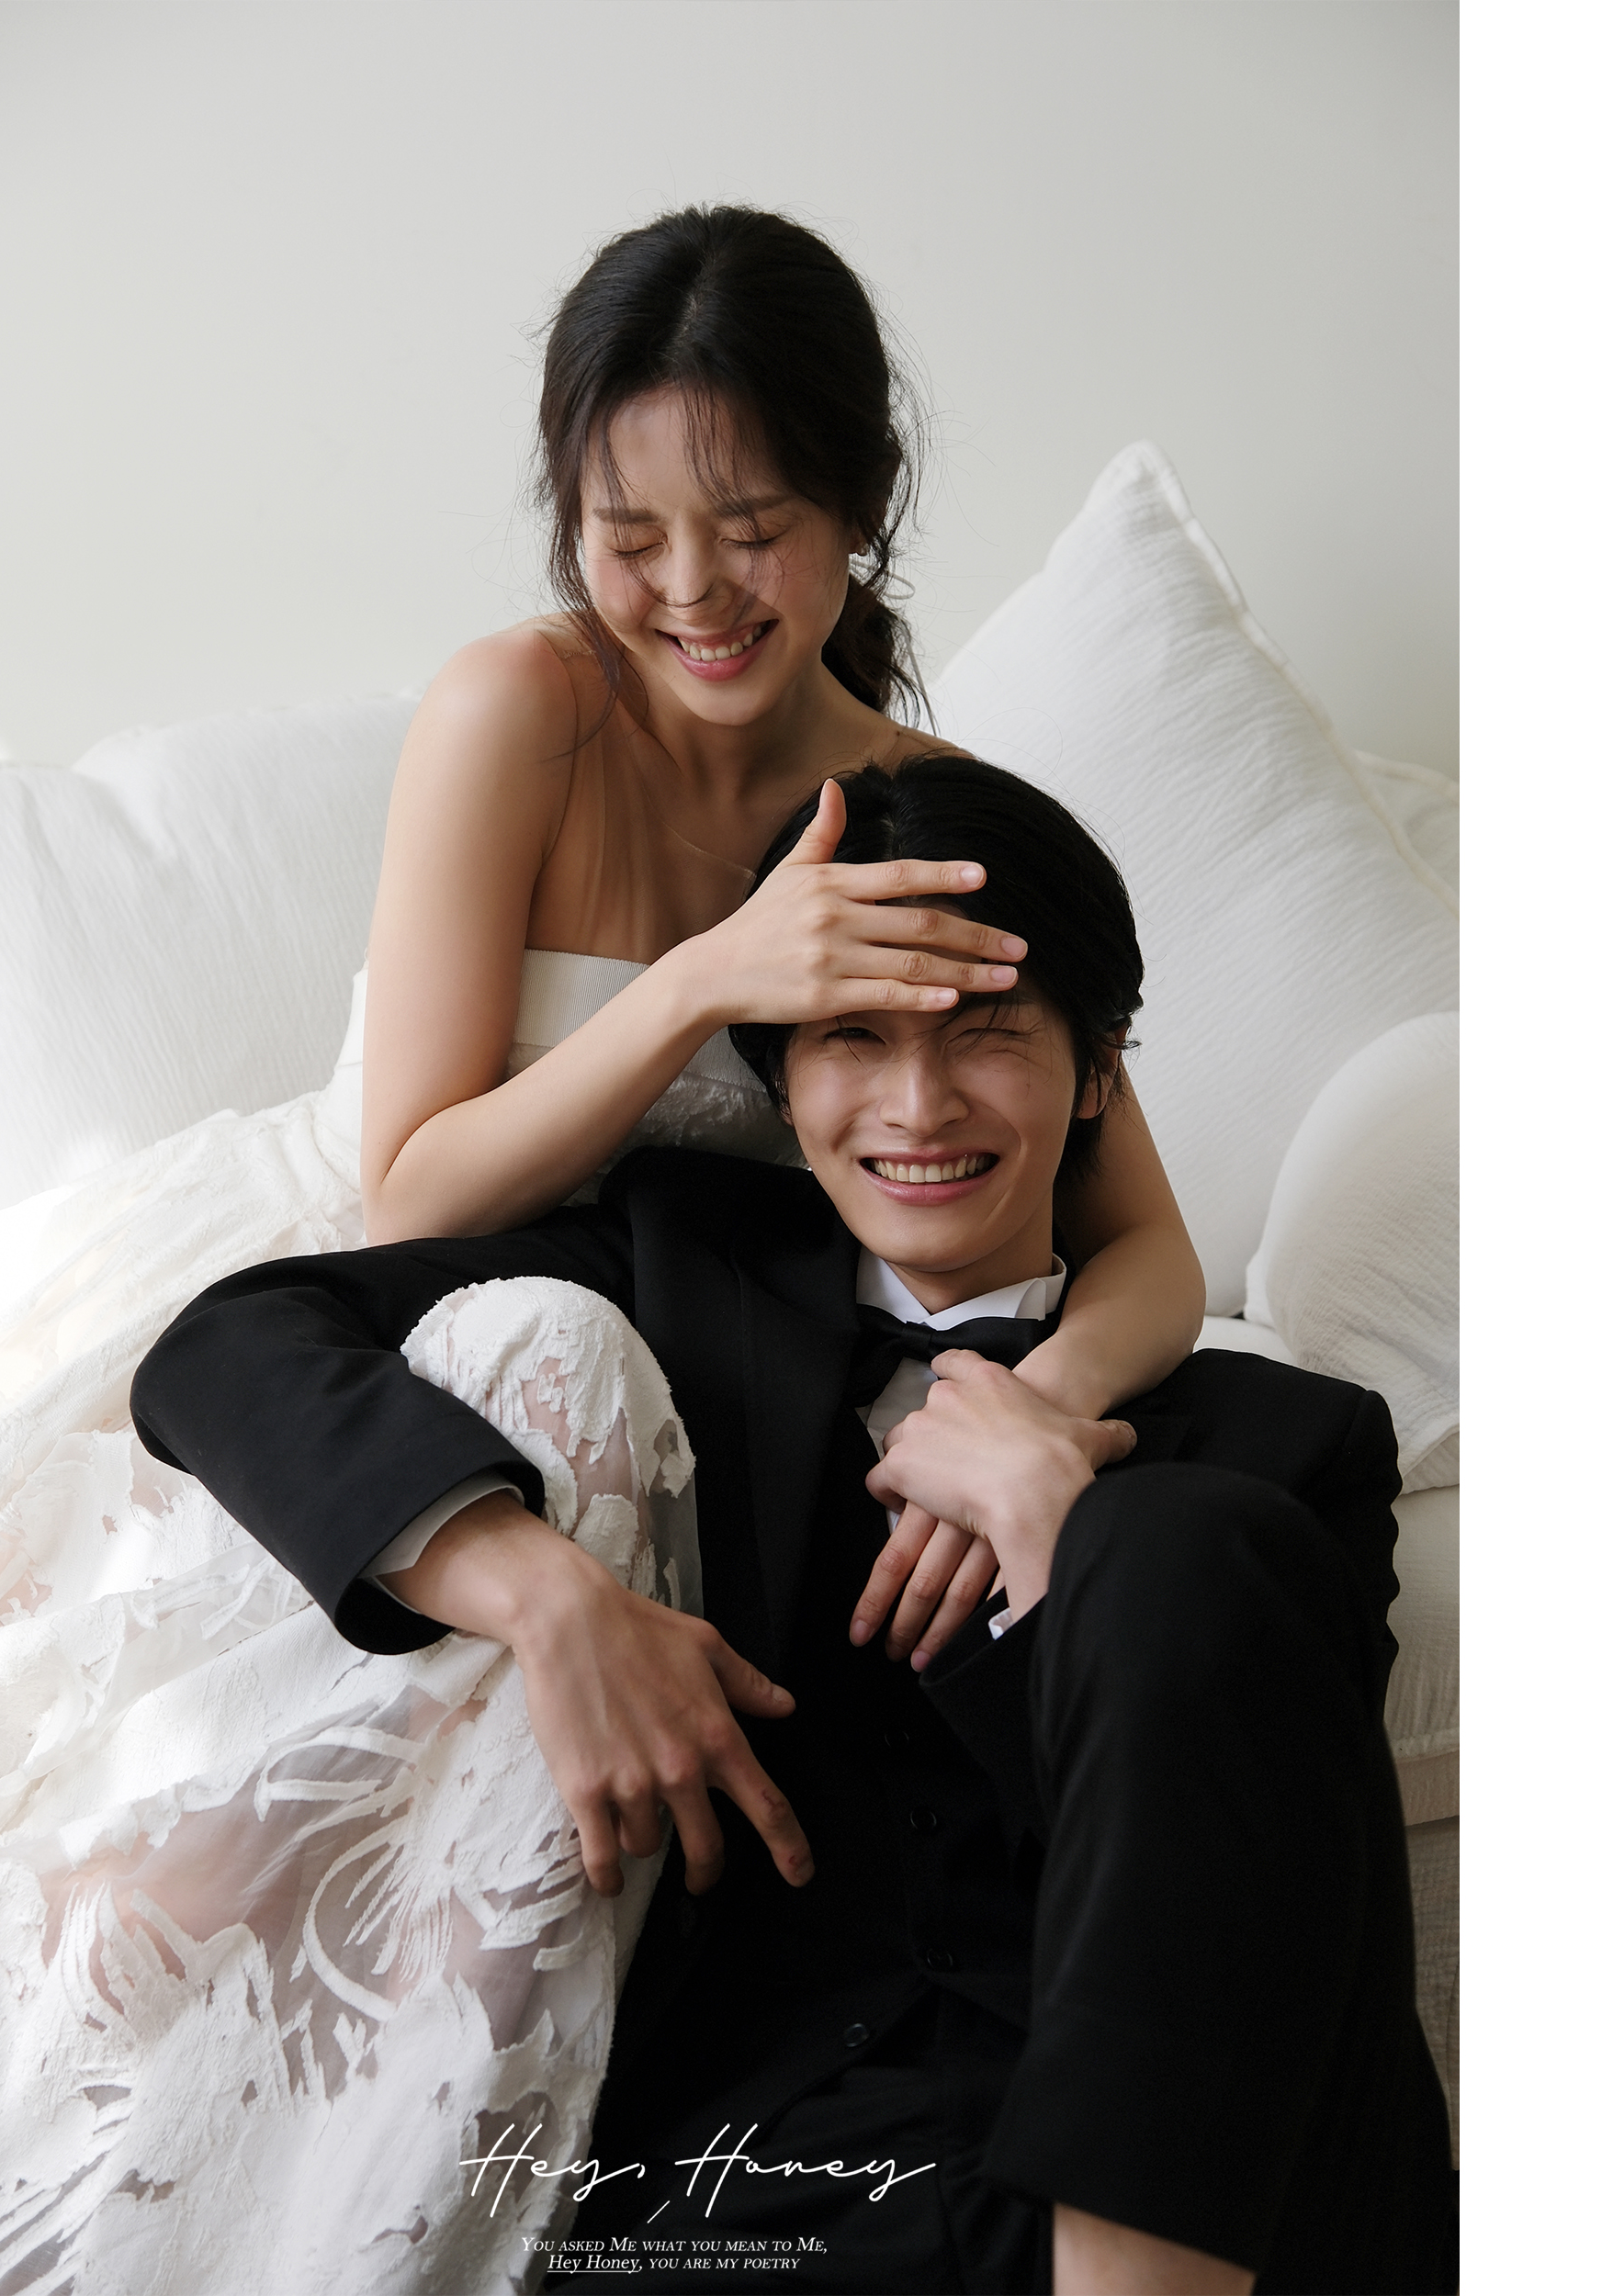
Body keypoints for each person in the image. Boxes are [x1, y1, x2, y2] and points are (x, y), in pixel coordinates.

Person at [131, 757, 1456, 2296]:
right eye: (854, 1040)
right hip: (753, 2201)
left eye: (986, 1032)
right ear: (780, 1081)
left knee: (1186, 1542)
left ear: (1099, 1069)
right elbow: (228, 1349)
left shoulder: (1291, 1443)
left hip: (1222, 2202)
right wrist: (550, 1596)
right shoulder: (679, 1279)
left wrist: (1056, 1532)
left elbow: (1263, 1885)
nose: (919, 1106)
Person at [358, 202, 1204, 1429]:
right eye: (631, 539)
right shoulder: (513, 714)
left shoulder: (917, 808)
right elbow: (403, 1206)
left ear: (862, 505)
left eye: (750, 532)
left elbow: (1150, 1250)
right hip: (458, 1336)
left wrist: (1029, 1407)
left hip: (738, 1404)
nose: (692, 589)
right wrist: (705, 981)